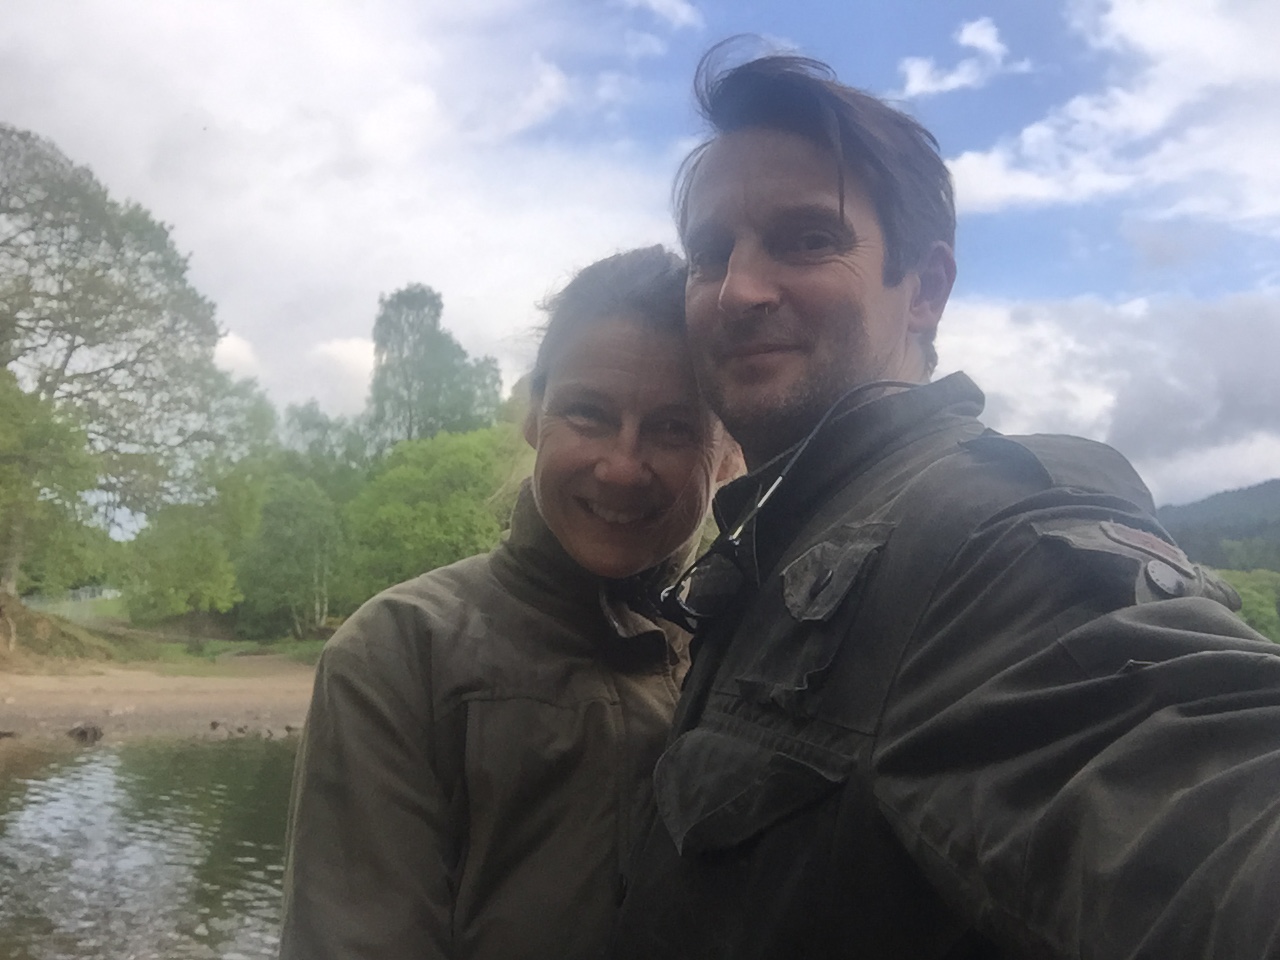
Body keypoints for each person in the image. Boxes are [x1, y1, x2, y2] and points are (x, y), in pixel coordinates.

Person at [609, 49, 1280, 960]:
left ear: (924, 290)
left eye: (807, 239)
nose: (739, 289)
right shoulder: (775, 550)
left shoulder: (981, 531)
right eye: (711, 254)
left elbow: (1199, 797)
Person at [279, 246, 734, 960]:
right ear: (533, 416)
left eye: (673, 427)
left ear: (728, 452)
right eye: (587, 413)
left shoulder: (746, 654)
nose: (621, 466)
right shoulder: (399, 651)